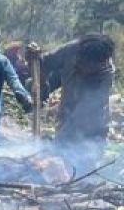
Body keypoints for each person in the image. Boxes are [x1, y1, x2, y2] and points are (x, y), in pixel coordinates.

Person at [41, 34, 116, 174]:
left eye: (91, 66)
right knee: (60, 165)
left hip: (93, 128)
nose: (85, 68)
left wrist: (59, 141)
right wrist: (34, 60)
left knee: (83, 164)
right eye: (84, 63)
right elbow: (45, 61)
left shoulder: (105, 74)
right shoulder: (70, 50)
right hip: (65, 116)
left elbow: (83, 112)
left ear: (101, 63)